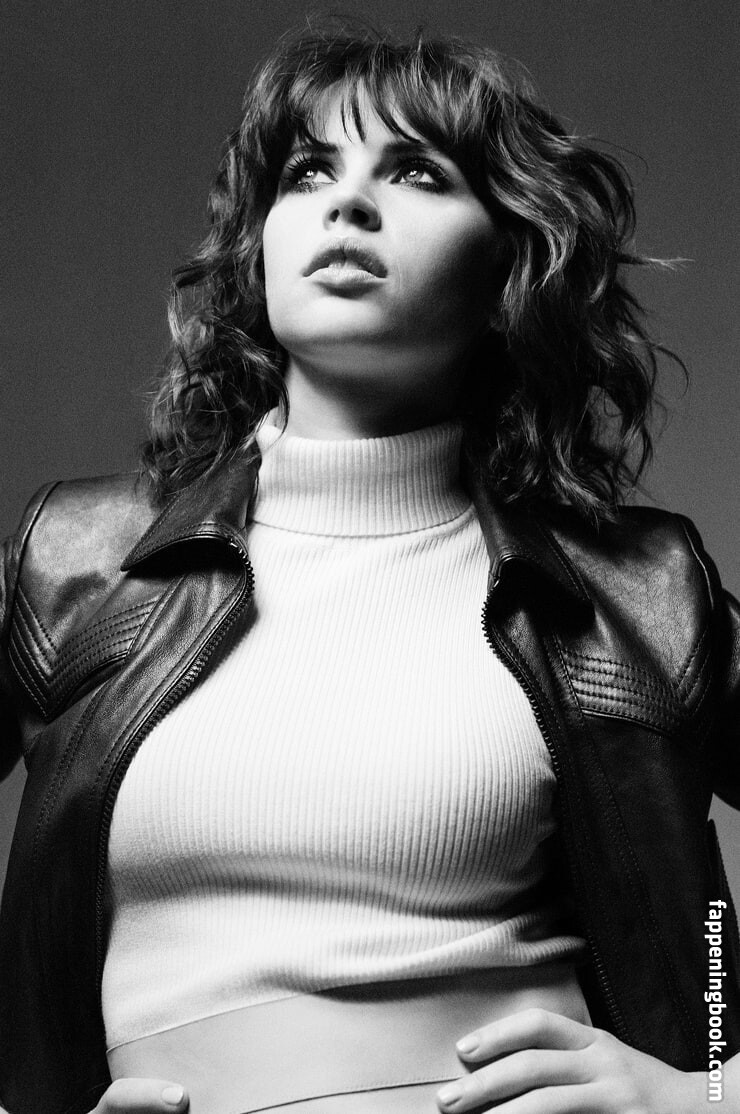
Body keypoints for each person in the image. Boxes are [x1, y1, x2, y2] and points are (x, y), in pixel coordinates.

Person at [0, 21, 738, 1114]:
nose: (346, 203)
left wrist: (710, 1091)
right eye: (308, 172)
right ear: (259, 243)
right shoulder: (75, 561)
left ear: (509, 257)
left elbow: (706, 1031)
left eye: (416, 172)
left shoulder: (640, 589)